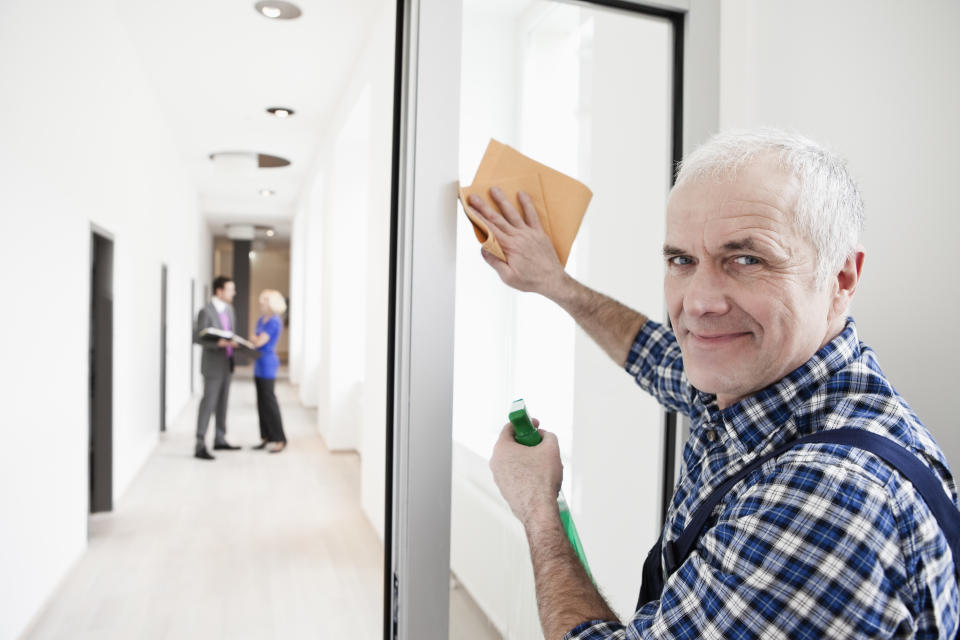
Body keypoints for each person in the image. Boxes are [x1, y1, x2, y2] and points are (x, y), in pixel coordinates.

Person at [471, 128, 959, 639]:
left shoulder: (826, 502)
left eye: (746, 260)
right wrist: (555, 283)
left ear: (841, 279)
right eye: (682, 260)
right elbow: (653, 354)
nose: (699, 303)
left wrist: (538, 508)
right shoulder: (773, 382)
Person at [193, 275, 241, 460]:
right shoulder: (206, 311)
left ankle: (220, 438)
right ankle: (199, 443)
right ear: (219, 291)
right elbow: (198, 337)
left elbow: (230, 335)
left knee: (223, 403)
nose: (233, 293)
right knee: (208, 403)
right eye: (230, 289)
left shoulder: (230, 310)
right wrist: (218, 343)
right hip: (212, 366)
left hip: (227, 364)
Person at [250, 289, 287, 453]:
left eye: (265, 299)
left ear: (272, 302)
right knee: (261, 403)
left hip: (268, 364)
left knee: (270, 402)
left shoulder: (274, 321)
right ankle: (265, 436)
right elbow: (255, 338)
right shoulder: (261, 319)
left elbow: (258, 341)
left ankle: (280, 439)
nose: (261, 302)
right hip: (258, 363)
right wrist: (256, 339)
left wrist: (256, 339)